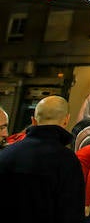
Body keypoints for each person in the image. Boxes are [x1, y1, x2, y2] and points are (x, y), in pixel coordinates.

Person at [0, 95, 84, 223]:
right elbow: (71, 212)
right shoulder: (68, 161)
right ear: (66, 120)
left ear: (33, 121)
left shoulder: (6, 154)